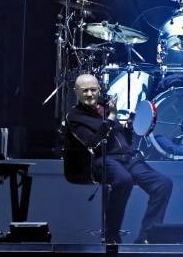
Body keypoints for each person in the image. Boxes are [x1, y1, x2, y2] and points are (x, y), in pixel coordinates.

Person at [66, 74, 173, 244]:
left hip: (128, 158)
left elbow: (122, 140)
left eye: (93, 90)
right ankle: (111, 236)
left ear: (99, 90)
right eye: (84, 90)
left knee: (163, 184)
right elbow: (92, 143)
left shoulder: (106, 108)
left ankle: (147, 237)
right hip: (103, 160)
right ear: (76, 92)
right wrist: (110, 119)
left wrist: (129, 125)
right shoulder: (75, 116)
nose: (89, 94)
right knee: (124, 181)